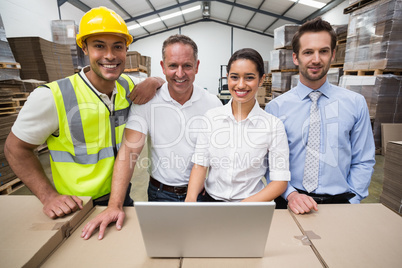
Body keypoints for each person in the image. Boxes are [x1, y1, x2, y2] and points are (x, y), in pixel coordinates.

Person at [4, 6, 164, 219]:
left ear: (125, 50)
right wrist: (48, 197)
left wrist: (153, 81)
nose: (110, 56)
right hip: (79, 205)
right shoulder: (54, 96)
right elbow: (15, 148)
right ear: (85, 49)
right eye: (99, 46)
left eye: (117, 47)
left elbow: (163, 81)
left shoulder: (127, 85)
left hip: (121, 194)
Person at [80, 34, 222, 239]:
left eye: (187, 66)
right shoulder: (147, 102)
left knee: (200, 249)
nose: (180, 73)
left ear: (197, 66)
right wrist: (114, 205)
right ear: (163, 67)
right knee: (163, 249)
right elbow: (129, 151)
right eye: (173, 66)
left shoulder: (212, 103)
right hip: (160, 194)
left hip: (202, 193)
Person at [265, 17, 375, 214]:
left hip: (341, 203)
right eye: (308, 52)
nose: (316, 59)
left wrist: (353, 199)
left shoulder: (355, 104)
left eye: (323, 51)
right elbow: (270, 163)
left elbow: (363, 159)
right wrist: (290, 194)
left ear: (333, 55)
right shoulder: (275, 108)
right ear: (296, 57)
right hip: (290, 201)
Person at [185, 48, 290, 202]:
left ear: (261, 79)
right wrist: (190, 200)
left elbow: (280, 181)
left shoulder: (273, 126)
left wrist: (242, 207)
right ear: (227, 78)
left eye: (249, 77)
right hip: (211, 202)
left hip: (252, 204)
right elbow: (200, 165)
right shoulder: (212, 118)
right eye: (234, 77)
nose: (241, 85)